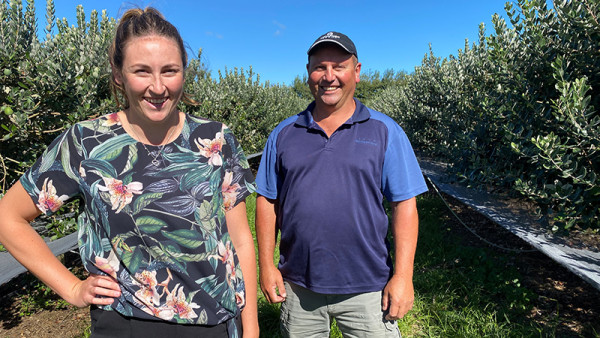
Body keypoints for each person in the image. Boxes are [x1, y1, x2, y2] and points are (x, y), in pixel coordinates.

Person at [0, 7, 258, 338]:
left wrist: (250, 325)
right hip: (129, 324)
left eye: (169, 71)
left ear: (184, 72)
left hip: (219, 321)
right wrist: (71, 288)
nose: (157, 87)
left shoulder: (216, 139)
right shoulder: (86, 143)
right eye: (141, 71)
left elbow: (239, 240)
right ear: (119, 74)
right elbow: (8, 217)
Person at [255, 31, 428, 337]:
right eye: (320, 67)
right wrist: (266, 267)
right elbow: (267, 201)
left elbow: (404, 204)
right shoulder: (283, 134)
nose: (329, 76)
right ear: (308, 73)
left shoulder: (385, 131)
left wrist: (403, 276)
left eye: (339, 66)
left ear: (356, 72)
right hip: (299, 286)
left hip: (369, 288)